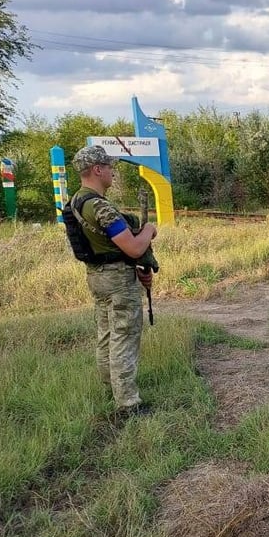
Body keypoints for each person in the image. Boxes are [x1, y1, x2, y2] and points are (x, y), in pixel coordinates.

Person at [69, 144, 157, 418]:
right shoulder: (100, 207)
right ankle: (128, 404)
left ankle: (111, 389)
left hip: (97, 277)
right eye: (108, 167)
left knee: (106, 334)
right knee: (124, 336)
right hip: (118, 281)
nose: (112, 172)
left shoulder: (77, 201)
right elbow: (132, 248)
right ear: (97, 169)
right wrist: (149, 231)